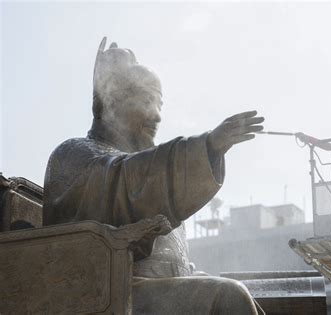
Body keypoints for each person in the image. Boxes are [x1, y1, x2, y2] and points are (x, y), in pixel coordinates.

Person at [43, 37, 264, 314]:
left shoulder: (152, 167)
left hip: (152, 293)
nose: (157, 115)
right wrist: (204, 147)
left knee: (248, 294)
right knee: (228, 296)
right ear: (113, 99)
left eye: (159, 103)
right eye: (147, 99)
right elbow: (122, 181)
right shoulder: (74, 153)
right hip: (106, 293)